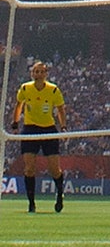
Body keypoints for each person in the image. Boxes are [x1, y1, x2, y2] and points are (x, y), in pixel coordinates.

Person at [11, 61, 67, 213]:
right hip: (30, 129)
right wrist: (15, 122)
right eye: (36, 72)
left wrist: (63, 127)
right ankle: (31, 203)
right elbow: (19, 106)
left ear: (46, 74)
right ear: (32, 74)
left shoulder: (53, 90)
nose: (39, 75)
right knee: (29, 168)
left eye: (42, 72)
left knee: (54, 169)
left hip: (48, 129)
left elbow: (61, 109)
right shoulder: (25, 88)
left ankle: (60, 193)